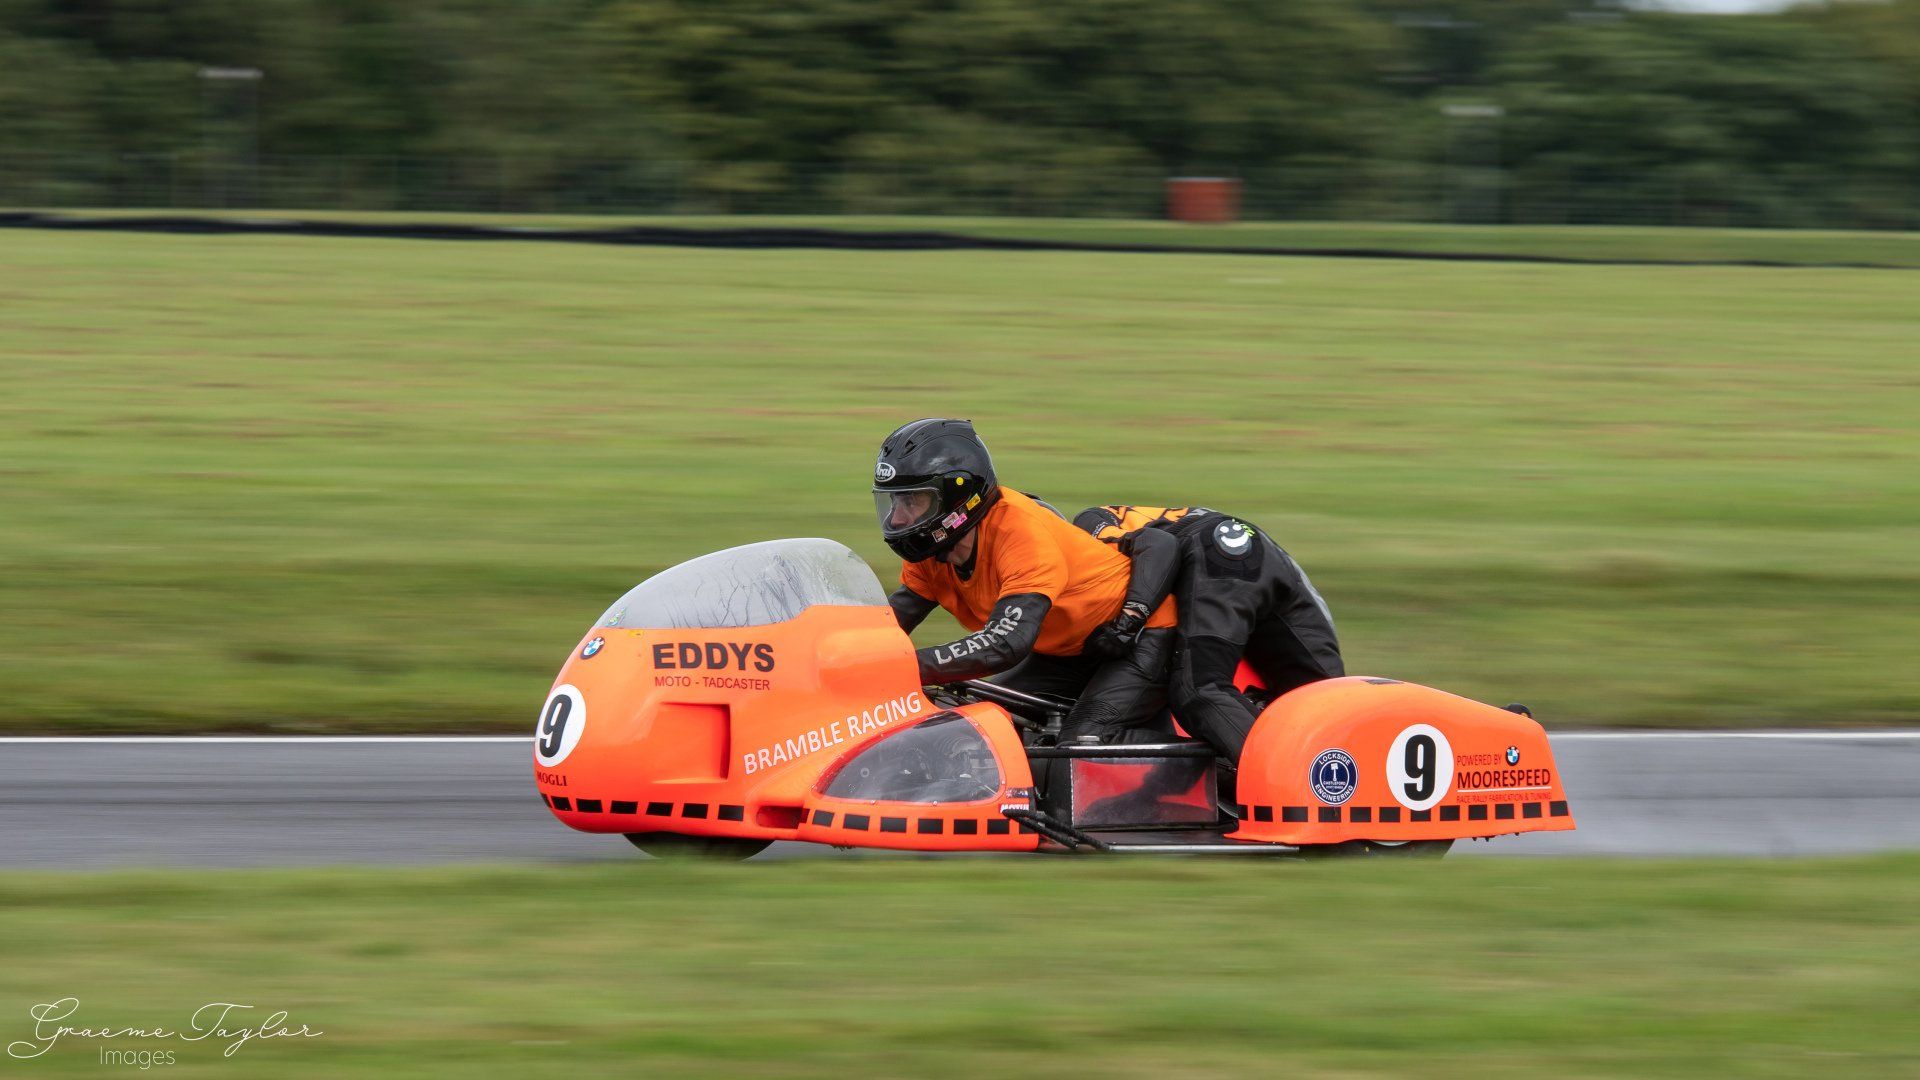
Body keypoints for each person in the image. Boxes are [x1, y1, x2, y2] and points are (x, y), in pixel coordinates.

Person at [873, 419, 1177, 745]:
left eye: (912, 501)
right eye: (894, 502)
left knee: (1081, 741)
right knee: (968, 716)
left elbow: (1004, 643)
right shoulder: (932, 555)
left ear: (957, 499)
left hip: (1139, 637)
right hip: (1067, 648)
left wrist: (906, 666)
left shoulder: (1019, 533)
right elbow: (886, 630)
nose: (897, 519)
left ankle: (1200, 775)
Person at [1072, 504, 1343, 763]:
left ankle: (1288, 780)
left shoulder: (1087, 523)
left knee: (1200, 689)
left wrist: (1129, 621)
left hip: (1217, 549)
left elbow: (1158, 548)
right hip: (1254, 550)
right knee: (1329, 705)